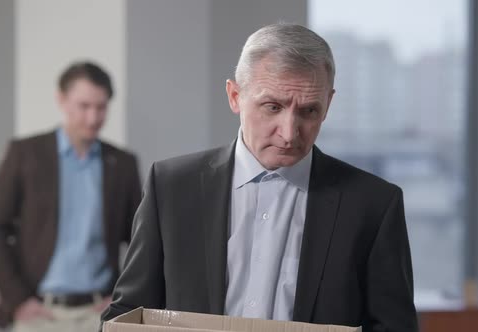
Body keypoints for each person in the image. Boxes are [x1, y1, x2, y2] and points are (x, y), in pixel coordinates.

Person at [101, 24, 418, 332]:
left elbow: (394, 326)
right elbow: (128, 315)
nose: (289, 132)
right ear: (235, 96)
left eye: (308, 111)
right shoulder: (170, 187)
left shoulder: (374, 205)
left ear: (328, 105)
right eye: (272, 106)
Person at [0, 61, 142, 331]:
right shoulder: (25, 154)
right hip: (40, 315)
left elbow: (141, 238)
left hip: (101, 314)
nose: (93, 118)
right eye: (84, 106)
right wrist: (17, 299)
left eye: (101, 107)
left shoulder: (122, 163)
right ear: (62, 100)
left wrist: (123, 296)